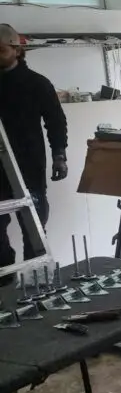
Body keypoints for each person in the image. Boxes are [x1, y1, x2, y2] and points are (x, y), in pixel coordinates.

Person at [0, 24, 68, 281]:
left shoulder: (36, 84)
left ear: (16, 50)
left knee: (35, 231)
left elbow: (55, 122)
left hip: (29, 168)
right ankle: (5, 287)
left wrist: (59, 155)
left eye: (1, 50)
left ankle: (35, 287)